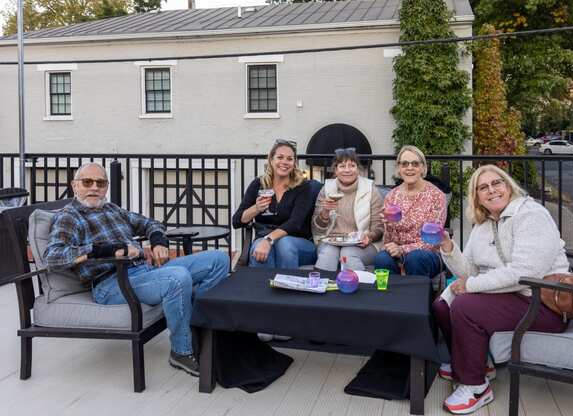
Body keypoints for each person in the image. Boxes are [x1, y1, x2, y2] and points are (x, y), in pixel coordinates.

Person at [45, 162, 230, 377]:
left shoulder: (111, 209)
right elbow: (54, 256)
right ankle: (182, 350)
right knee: (178, 278)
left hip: (143, 270)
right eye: (87, 182)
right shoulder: (69, 216)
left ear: (106, 187)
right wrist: (109, 250)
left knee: (218, 259)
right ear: (75, 186)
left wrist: (159, 241)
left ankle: (199, 328)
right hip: (111, 283)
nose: (94, 187)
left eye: (101, 183)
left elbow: (150, 223)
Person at [432, 164, 570, 414]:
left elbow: (524, 274)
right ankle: (478, 362)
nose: (492, 190)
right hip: (508, 297)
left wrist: (471, 286)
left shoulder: (531, 215)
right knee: (442, 305)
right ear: (476, 196)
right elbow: (469, 273)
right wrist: (447, 246)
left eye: (497, 183)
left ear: (508, 186)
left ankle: (476, 386)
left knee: (465, 305)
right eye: (483, 187)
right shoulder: (483, 224)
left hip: (543, 303)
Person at [232, 139, 317, 268]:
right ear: (271, 160)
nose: (284, 162)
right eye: (280, 157)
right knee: (260, 252)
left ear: (294, 163)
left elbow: (295, 223)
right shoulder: (258, 184)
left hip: (297, 242)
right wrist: (256, 208)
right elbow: (237, 221)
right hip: (263, 237)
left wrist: (269, 239)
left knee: (284, 244)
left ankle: (287, 286)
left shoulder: (302, 187)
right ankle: (264, 287)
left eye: (289, 159)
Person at [373, 145, 446, 277]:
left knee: (415, 259)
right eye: (405, 164)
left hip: (427, 254)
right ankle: (389, 296)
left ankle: (418, 297)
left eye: (415, 164)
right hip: (397, 253)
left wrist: (402, 249)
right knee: (381, 259)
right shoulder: (392, 196)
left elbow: (432, 240)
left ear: (423, 168)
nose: (409, 168)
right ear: (399, 168)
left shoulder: (436, 196)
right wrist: (388, 225)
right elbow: (388, 240)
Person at [311, 148, 383, 271]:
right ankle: (322, 287)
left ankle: (360, 288)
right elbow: (317, 229)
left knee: (348, 253)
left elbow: (379, 226)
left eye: (352, 165)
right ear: (335, 170)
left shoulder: (370, 190)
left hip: (363, 243)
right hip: (331, 240)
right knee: (328, 253)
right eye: (342, 166)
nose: (347, 170)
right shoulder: (327, 189)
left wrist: (369, 237)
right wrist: (325, 212)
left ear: (358, 169)